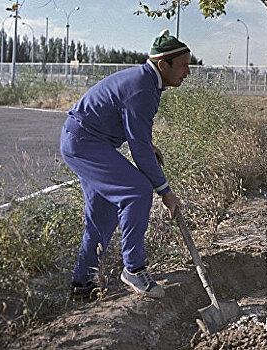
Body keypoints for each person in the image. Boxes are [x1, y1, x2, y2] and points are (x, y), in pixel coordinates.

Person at [60, 29, 191, 299]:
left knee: (103, 214)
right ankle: (134, 268)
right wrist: (165, 192)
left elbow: (136, 134)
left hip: (86, 142)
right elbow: (138, 150)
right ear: (162, 65)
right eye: (183, 66)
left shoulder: (146, 83)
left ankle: (82, 285)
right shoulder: (143, 88)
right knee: (138, 191)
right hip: (84, 143)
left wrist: (146, 145)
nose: (188, 72)